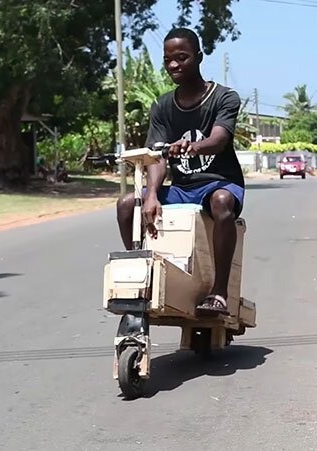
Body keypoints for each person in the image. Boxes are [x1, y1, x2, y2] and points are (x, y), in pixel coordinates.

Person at [116, 27, 245, 317]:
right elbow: (157, 157)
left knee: (222, 203)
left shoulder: (224, 98)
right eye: (168, 59)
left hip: (219, 183)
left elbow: (219, 140)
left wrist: (192, 146)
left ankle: (219, 292)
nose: (174, 65)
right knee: (127, 205)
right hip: (182, 187)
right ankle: (142, 278)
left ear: (199, 57)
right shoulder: (162, 106)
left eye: (182, 57)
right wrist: (151, 196)